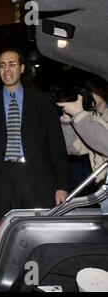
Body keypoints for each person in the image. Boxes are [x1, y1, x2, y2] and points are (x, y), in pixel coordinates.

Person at [0, 48, 69, 232]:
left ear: (22, 68)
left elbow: (56, 146)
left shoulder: (43, 102)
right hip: (1, 184)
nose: (7, 70)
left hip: (37, 181)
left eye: (12, 64)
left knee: (39, 237)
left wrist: (62, 186)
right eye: (2, 66)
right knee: (4, 239)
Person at [58, 79, 108, 213]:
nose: (81, 97)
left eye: (85, 92)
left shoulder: (87, 119)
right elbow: (73, 148)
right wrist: (67, 120)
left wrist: (79, 114)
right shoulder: (92, 117)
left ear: (101, 90)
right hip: (103, 190)